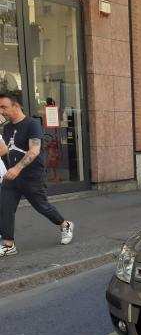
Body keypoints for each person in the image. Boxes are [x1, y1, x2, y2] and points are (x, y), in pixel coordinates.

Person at [0, 94, 74, 257]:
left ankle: (65, 224)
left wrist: (18, 168)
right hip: (11, 176)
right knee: (4, 207)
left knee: (42, 206)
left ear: (16, 106)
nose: (1, 111)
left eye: (4, 107)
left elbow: (34, 150)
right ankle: (8, 244)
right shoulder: (6, 128)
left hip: (31, 176)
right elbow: (5, 150)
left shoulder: (32, 124)